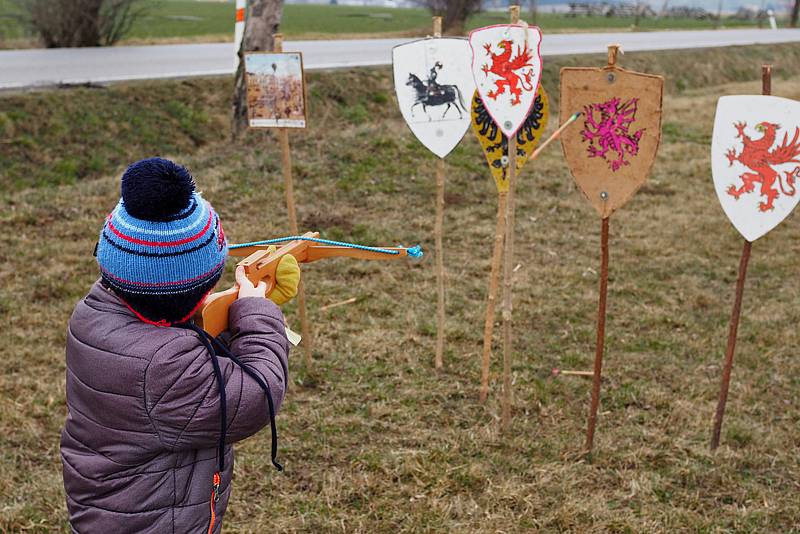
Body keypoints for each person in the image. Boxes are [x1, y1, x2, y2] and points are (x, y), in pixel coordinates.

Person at [60, 157, 299, 533]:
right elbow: (258, 391)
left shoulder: (96, 313)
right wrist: (257, 315)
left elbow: (176, 327)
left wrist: (229, 309)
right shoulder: (164, 366)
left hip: (112, 511)